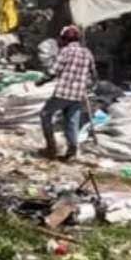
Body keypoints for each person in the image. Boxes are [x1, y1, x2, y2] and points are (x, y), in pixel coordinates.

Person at [40, 24, 96, 161]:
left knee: (45, 114)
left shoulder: (65, 51)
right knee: (72, 122)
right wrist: (86, 86)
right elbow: (93, 74)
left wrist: (41, 81)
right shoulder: (87, 53)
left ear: (64, 39)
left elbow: (53, 71)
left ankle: (51, 147)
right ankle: (72, 152)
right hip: (78, 94)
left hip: (63, 92)